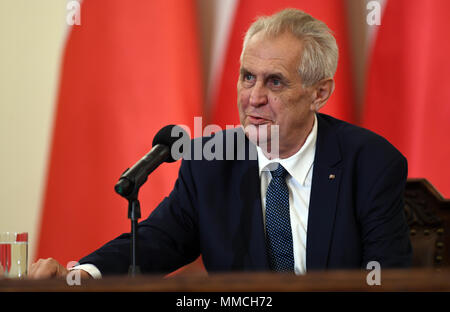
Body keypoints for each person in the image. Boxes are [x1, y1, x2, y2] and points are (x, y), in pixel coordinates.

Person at [29, 8, 412, 279]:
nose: (254, 97)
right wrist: (83, 274)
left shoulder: (371, 163)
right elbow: (155, 242)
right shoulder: (210, 163)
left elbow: (386, 278)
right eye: (248, 77)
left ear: (319, 93)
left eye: (274, 82)